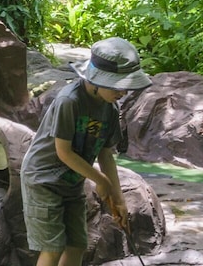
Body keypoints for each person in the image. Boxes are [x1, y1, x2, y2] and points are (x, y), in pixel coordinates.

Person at [22, 37, 153, 266]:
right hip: (43, 180)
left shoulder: (111, 108)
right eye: (118, 86)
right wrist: (100, 180)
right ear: (96, 80)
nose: (123, 92)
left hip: (71, 182)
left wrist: (118, 198)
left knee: (78, 244)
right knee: (54, 246)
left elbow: (105, 153)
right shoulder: (69, 101)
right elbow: (64, 152)